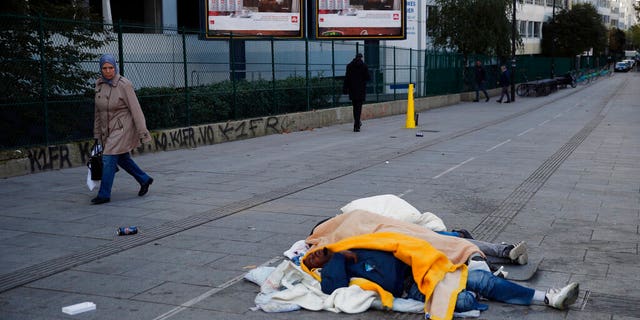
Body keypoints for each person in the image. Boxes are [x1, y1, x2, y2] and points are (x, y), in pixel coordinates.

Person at [303, 245, 579, 315]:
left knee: (481, 281)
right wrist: (336, 256)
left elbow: (396, 242)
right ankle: (477, 297)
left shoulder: (359, 245)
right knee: (463, 299)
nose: (315, 255)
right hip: (412, 289)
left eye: (316, 251)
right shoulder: (334, 269)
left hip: (425, 271)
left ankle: (548, 297)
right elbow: (332, 288)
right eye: (311, 258)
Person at [91, 53, 154, 205]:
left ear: (115, 67)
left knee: (108, 157)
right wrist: (97, 134)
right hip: (108, 129)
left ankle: (104, 194)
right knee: (122, 158)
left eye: (111, 68)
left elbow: (136, 109)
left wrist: (142, 132)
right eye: (104, 68)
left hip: (122, 128)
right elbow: (98, 112)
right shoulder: (99, 84)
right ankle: (144, 179)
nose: (108, 71)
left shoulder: (124, 84)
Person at [343, 53, 370, 132]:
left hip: (352, 89)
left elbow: (346, 78)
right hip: (361, 89)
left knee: (355, 107)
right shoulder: (364, 66)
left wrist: (345, 89)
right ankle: (357, 124)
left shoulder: (349, 66)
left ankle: (357, 123)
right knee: (359, 107)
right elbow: (368, 77)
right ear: (361, 58)